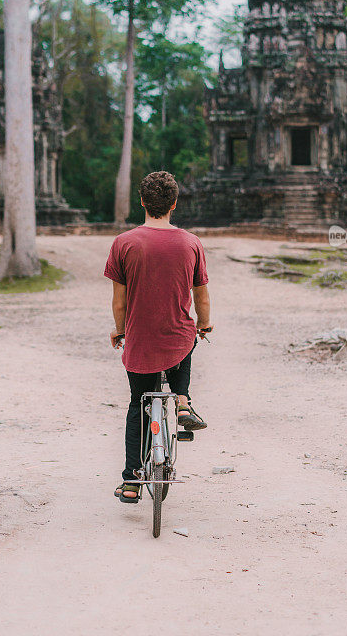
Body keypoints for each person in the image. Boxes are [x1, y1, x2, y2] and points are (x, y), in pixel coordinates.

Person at [104, 170, 212, 503]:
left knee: (139, 404)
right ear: (174, 204)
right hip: (177, 337)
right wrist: (204, 326)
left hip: (140, 342)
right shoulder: (191, 243)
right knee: (187, 336)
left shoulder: (124, 243)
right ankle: (182, 401)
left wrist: (120, 331)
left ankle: (132, 483)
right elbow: (202, 297)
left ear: (142, 202)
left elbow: (119, 300)